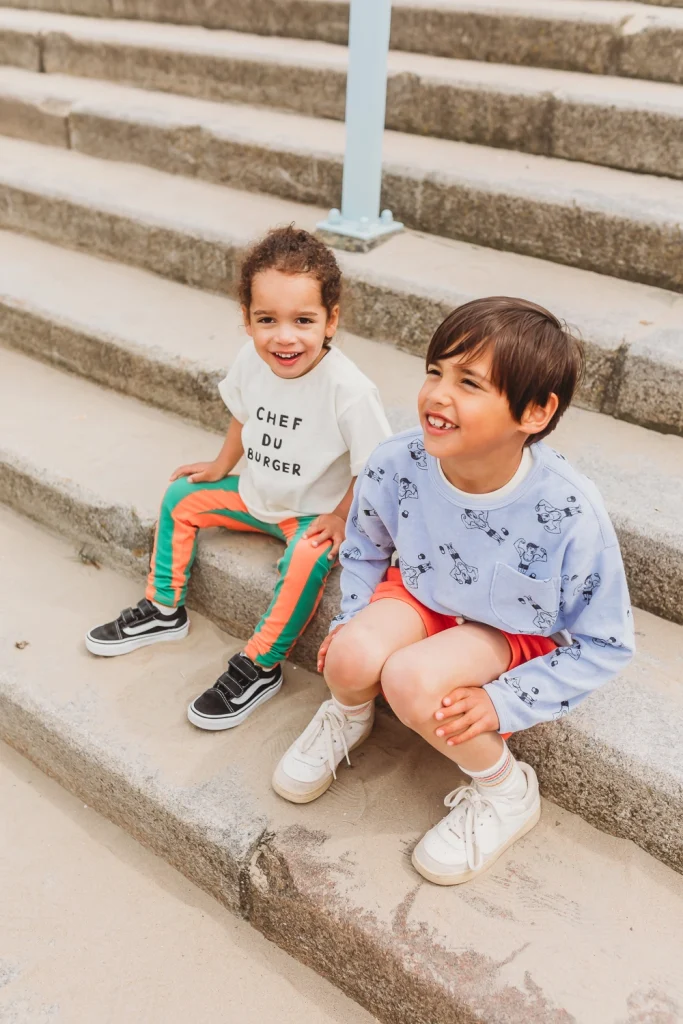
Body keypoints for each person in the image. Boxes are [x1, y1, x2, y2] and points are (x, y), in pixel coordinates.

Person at [272, 296, 635, 885]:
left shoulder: (569, 511)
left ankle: (506, 790)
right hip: (423, 591)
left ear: (535, 411)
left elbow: (606, 644)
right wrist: (352, 617)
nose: (437, 395)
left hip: (508, 629)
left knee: (410, 680)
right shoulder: (396, 462)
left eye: (469, 382)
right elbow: (365, 548)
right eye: (434, 372)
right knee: (350, 655)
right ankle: (348, 714)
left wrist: (504, 702)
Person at [85, 226, 391, 730]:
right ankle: (164, 608)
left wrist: (341, 517)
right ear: (247, 320)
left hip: (310, 514)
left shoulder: (350, 391)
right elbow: (242, 415)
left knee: (306, 558)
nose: (284, 336)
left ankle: (260, 663)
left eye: (303, 320)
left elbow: (374, 467)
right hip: (254, 494)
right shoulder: (252, 360)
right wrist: (220, 467)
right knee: (181, 495)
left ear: (331, 321)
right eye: (267, 319)